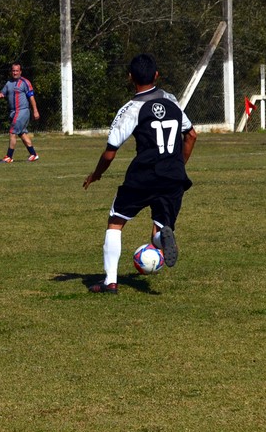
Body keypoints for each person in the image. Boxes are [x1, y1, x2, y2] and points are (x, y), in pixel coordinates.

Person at [83, 54, 197, 294]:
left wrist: (96, 174)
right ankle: (160, 241)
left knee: (116, 222)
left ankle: (110, 282)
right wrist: (178, 165)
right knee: (159, 227)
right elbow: (192, 135)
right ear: (157, 75)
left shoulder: (131, 109)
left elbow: (110, 152)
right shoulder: (172, 101)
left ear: (130, 77)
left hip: (145, 173)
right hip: (173, 175)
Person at [0, 62, 40, 162]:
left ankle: (9, 156)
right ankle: (33, 154)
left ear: (20, 71)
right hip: (13, 112)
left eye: (17, 71)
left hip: (22, 111)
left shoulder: (25, 82)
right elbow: (3, 92)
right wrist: (1, 94)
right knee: (22, 133)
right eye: (13, 71)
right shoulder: (9, 83)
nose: (15, 73)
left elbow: (31, 98)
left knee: (12, 132)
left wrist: (35, 111)